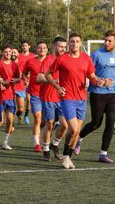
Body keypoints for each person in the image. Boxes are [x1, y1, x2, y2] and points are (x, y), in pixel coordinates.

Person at [46, 32, 100, 169]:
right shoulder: (62, 59)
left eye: (77, 41)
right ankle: (65, 156)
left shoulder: (86, 59)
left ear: (80, 43)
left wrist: (99, 81)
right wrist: (57, 86)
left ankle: (67, 156)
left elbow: (92, 76)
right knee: (74, 128)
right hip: (67, 98)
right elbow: (47, 74)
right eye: (72, 41)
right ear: (69, 44)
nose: (74, 44)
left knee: (76, 132)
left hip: (82, 98)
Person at [75, 30, 115, 163]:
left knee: (110, 123)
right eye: (105, 40)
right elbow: (89, 72)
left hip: (114, 93)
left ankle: (103, 154)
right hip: (98, 93)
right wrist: (100, 81)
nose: (107, 42)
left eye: (110, 41)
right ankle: (79, 138)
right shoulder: (96, 54)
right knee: (96, 124)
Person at [37, 37, 68, 161]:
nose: (63, 49)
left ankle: (54, 145)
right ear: (54, 46)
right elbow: (39, 78)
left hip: (63, 98)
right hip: (49, 97)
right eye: (61, 46)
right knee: (49, 124)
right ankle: (45, 149)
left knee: (65, 125)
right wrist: (54, 81)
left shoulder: (67, 59)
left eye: (64, 47)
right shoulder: (48, 59)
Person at [23, 42, 48, 152]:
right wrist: (25, 80)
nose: (42, 49)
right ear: (36, 49)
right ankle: (36, 144)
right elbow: (24, 73)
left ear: (47, 49)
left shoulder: (52, 60)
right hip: (35, 94)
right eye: (40, 48)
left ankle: (44, 139)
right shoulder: (30, 61)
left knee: (44, 121)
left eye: (44, 48)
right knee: (37, 119)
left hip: (48, 95)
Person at [0, 45, 20, 150]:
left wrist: (16, 80)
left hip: (10, 96)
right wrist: (0, 82)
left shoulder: (14, 65)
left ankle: (5, 142)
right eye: (6, 52)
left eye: (10, 52)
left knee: (10, 121)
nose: (8, 54)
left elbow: (18, 77)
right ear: (2, 52)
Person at [18, 41, 35, 125]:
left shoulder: (33, 56)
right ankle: (19, 113)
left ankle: (26, 115)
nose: (24, 47)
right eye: (23, 45)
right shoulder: (18, 56)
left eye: (26, 45)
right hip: (20, 81)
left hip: (30, 81)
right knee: (20, 106)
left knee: (29, 99)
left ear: (29, 46)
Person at [12, 48, 28, 127]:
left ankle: (19, 114)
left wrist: (25, 80)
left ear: (18, 53)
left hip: (20, 87)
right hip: (10, 88)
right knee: (11, 108)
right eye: (12, 52)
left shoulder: (22, 63)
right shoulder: (8, 63)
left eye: (15, 52)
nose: (13, 54)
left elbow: (24, 74)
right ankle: (11, 122)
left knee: (21, 109)